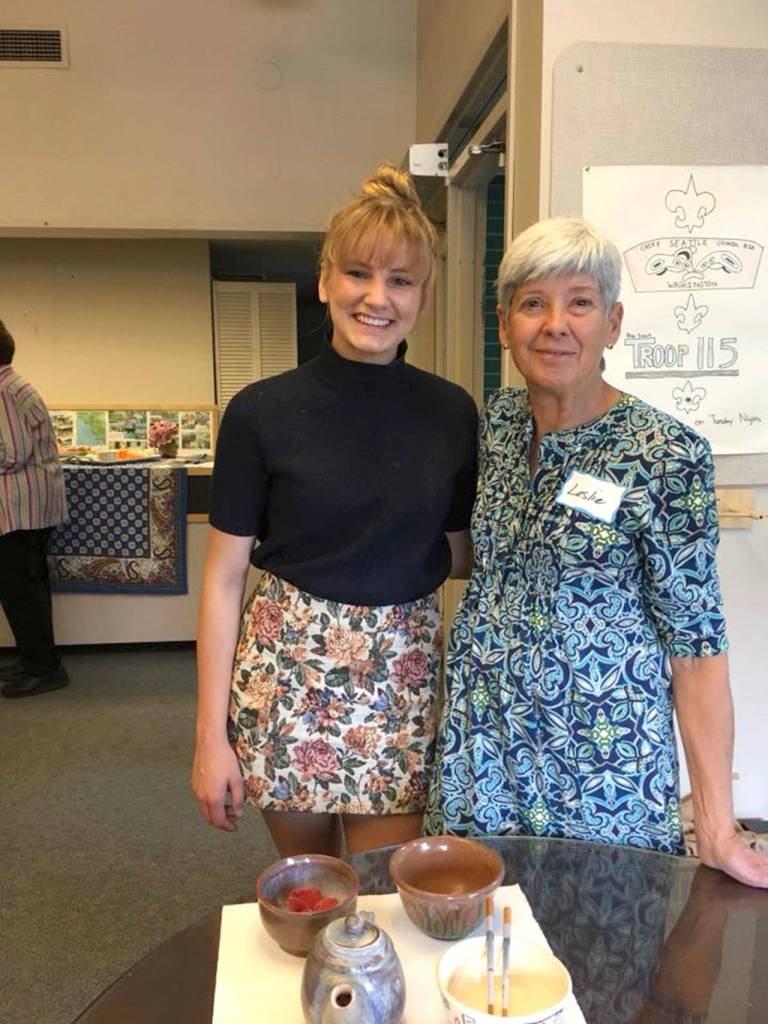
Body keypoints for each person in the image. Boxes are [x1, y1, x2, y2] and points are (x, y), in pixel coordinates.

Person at [425, 217, 768, 888]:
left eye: (579, 302)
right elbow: (489, 552)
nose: (556, 323)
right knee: (472, 957)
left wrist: (719, 826)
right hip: (481, 751)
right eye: (534, 303)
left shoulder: (664, 455)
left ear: (612, 323)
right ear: (505, 325)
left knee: (603, 962)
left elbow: (696, 650)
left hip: (599, 765)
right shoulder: (495, 425)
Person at [192, 164, 478, 857]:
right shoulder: (261, 412)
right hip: (288, 676)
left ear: (422, 296)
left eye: (400, 280)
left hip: (402, 680)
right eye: (358, 274)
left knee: (384, 889)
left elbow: (463, 550)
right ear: (324, 281)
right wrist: (209, 736)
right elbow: (224, 580)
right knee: (313, 885)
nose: (376, 297)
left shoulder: (451, 413)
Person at [0, 320, 69, 698]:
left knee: (20, 590)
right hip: (27, 507)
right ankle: (35, 659)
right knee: (27, 588)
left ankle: (44, 668)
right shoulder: (14, 385)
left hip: (19, 509)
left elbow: (12, 453)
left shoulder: (4, 391)